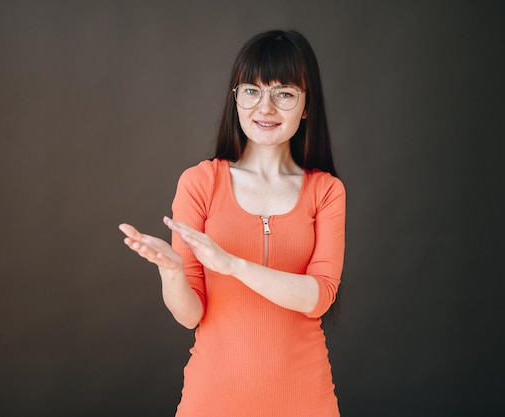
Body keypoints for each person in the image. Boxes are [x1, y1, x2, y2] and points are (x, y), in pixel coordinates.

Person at [119, 29, 345, 417]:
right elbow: (191, 314)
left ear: (306, 106)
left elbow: (319, 297)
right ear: (235, 99)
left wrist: (232, 266)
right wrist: (172, 272)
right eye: (251, 91)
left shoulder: (326, 191)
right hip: (213, 399)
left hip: (305, 398)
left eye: (284, 93)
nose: (265, 108)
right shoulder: (200, 182)